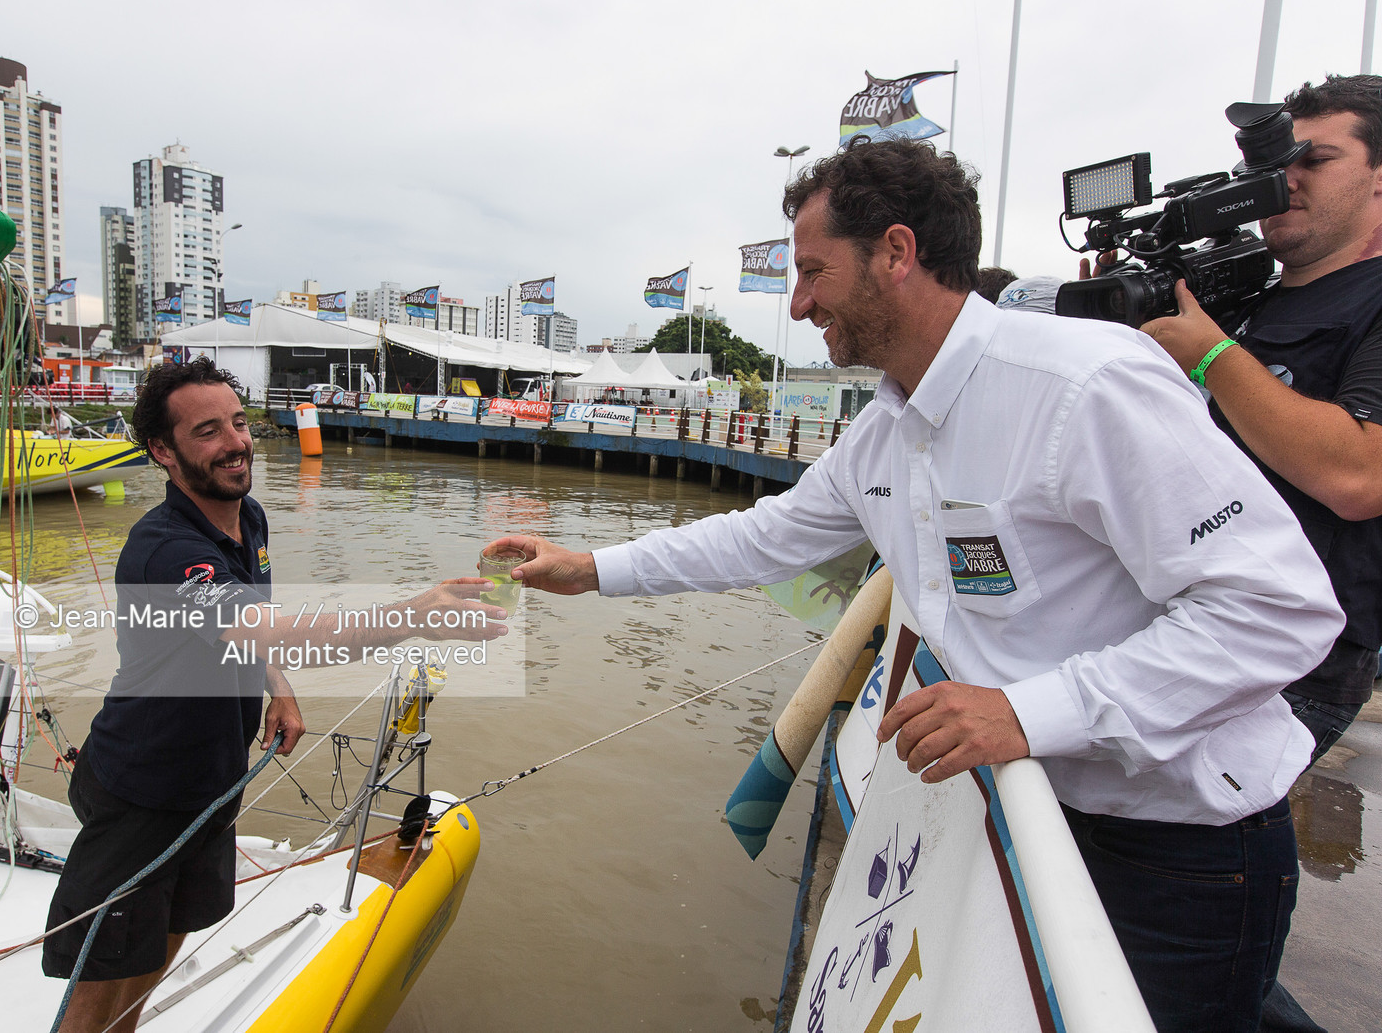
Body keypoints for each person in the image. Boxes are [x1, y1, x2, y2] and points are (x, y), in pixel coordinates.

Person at [491, 138, 1343, 1033]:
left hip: (1179, 853)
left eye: (815, 272)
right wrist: (588, 571)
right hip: (1030, 814)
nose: (799, 302)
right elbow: (765, 536)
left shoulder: (1082, 385)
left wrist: (1026, 711)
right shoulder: (885, 432)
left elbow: (1276, 611)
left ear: (896, 253)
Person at [44, 358, 501, 1033]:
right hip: (141, 789)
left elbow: (254, 628)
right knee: (102, 972)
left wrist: (279, 692)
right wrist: (415, 612)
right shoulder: (164, 552)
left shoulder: (246, 518)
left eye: (238, 422)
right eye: (208, 431)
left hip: (212, 779)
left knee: (172, 929)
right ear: (163, 453)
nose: (235, 441)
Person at [1131, 73, 1382, 1033]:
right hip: (1192, 623)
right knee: (1158, 889)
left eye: (1315, 160)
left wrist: (1207, 356)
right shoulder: (1244, 300)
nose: (1286, 183)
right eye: (1274, 165)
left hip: (1298, 658)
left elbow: (1358, 474)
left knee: (1183, 889)